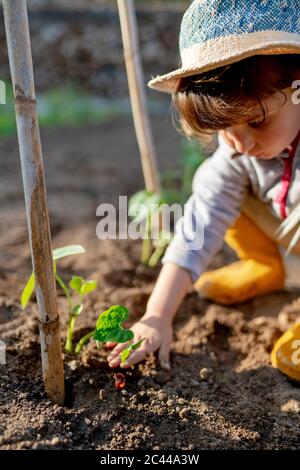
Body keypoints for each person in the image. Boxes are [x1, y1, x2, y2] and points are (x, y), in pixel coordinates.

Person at [106, 0, 300, 381]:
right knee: (217, 185)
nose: (241, 143)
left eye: (257, 121)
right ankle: (264, 266)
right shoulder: (238, 152)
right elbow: (201, 222)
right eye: (226, 128)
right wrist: (157, 315)